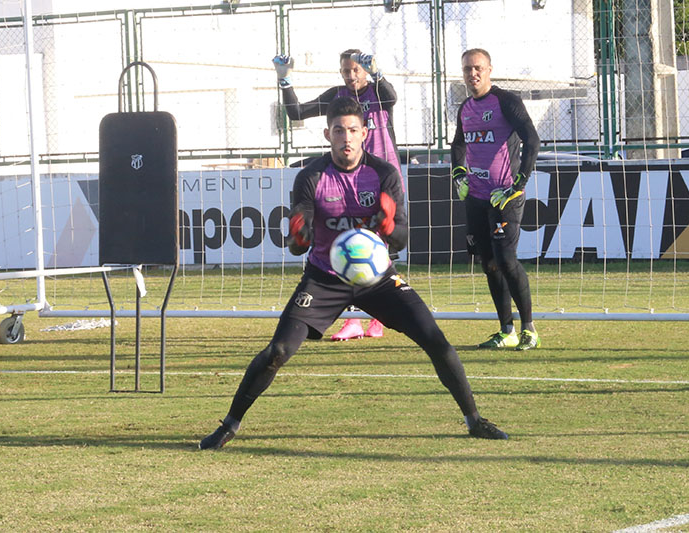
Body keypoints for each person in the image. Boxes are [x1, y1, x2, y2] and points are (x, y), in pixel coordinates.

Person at [199, 98, 508, 449]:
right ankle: (228, 426)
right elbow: (298, 244)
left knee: (435, 340)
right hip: (324, 279)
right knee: (278, 351)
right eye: (339, 131)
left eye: (353, 130)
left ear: (364, 133)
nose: (346, 138)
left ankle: (474, 420)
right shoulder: (311, 176)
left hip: (378, 279)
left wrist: (389, 224)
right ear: (327, 134)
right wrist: (299, 234)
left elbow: (402, 239)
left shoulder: (384, 174)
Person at [273, 49, 401, 341]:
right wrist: (285, 80)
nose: (351, 76)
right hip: (344, 178)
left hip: (380, 179)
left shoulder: (378, 92)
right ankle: (355, 319)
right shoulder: (338, 96)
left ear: (366, 71)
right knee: (348, 247)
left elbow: (391, 98)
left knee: (379, 247)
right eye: (346, 71)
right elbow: (297, 113)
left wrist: (378, 73)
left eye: (357, 70)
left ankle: (377, 317)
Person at [450, 48, 541, 351]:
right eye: (467, 69)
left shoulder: (506, 102)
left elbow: (532, 139)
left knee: (506, 259)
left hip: (504, 196)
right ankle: (506, 330)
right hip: (475, 198)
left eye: (477, 68)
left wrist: (520, 181)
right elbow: (458, 144)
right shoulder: (465, 107)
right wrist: (459, 174)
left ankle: (529, 329)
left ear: (489, 70)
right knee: (488, 264)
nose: (472, 74)